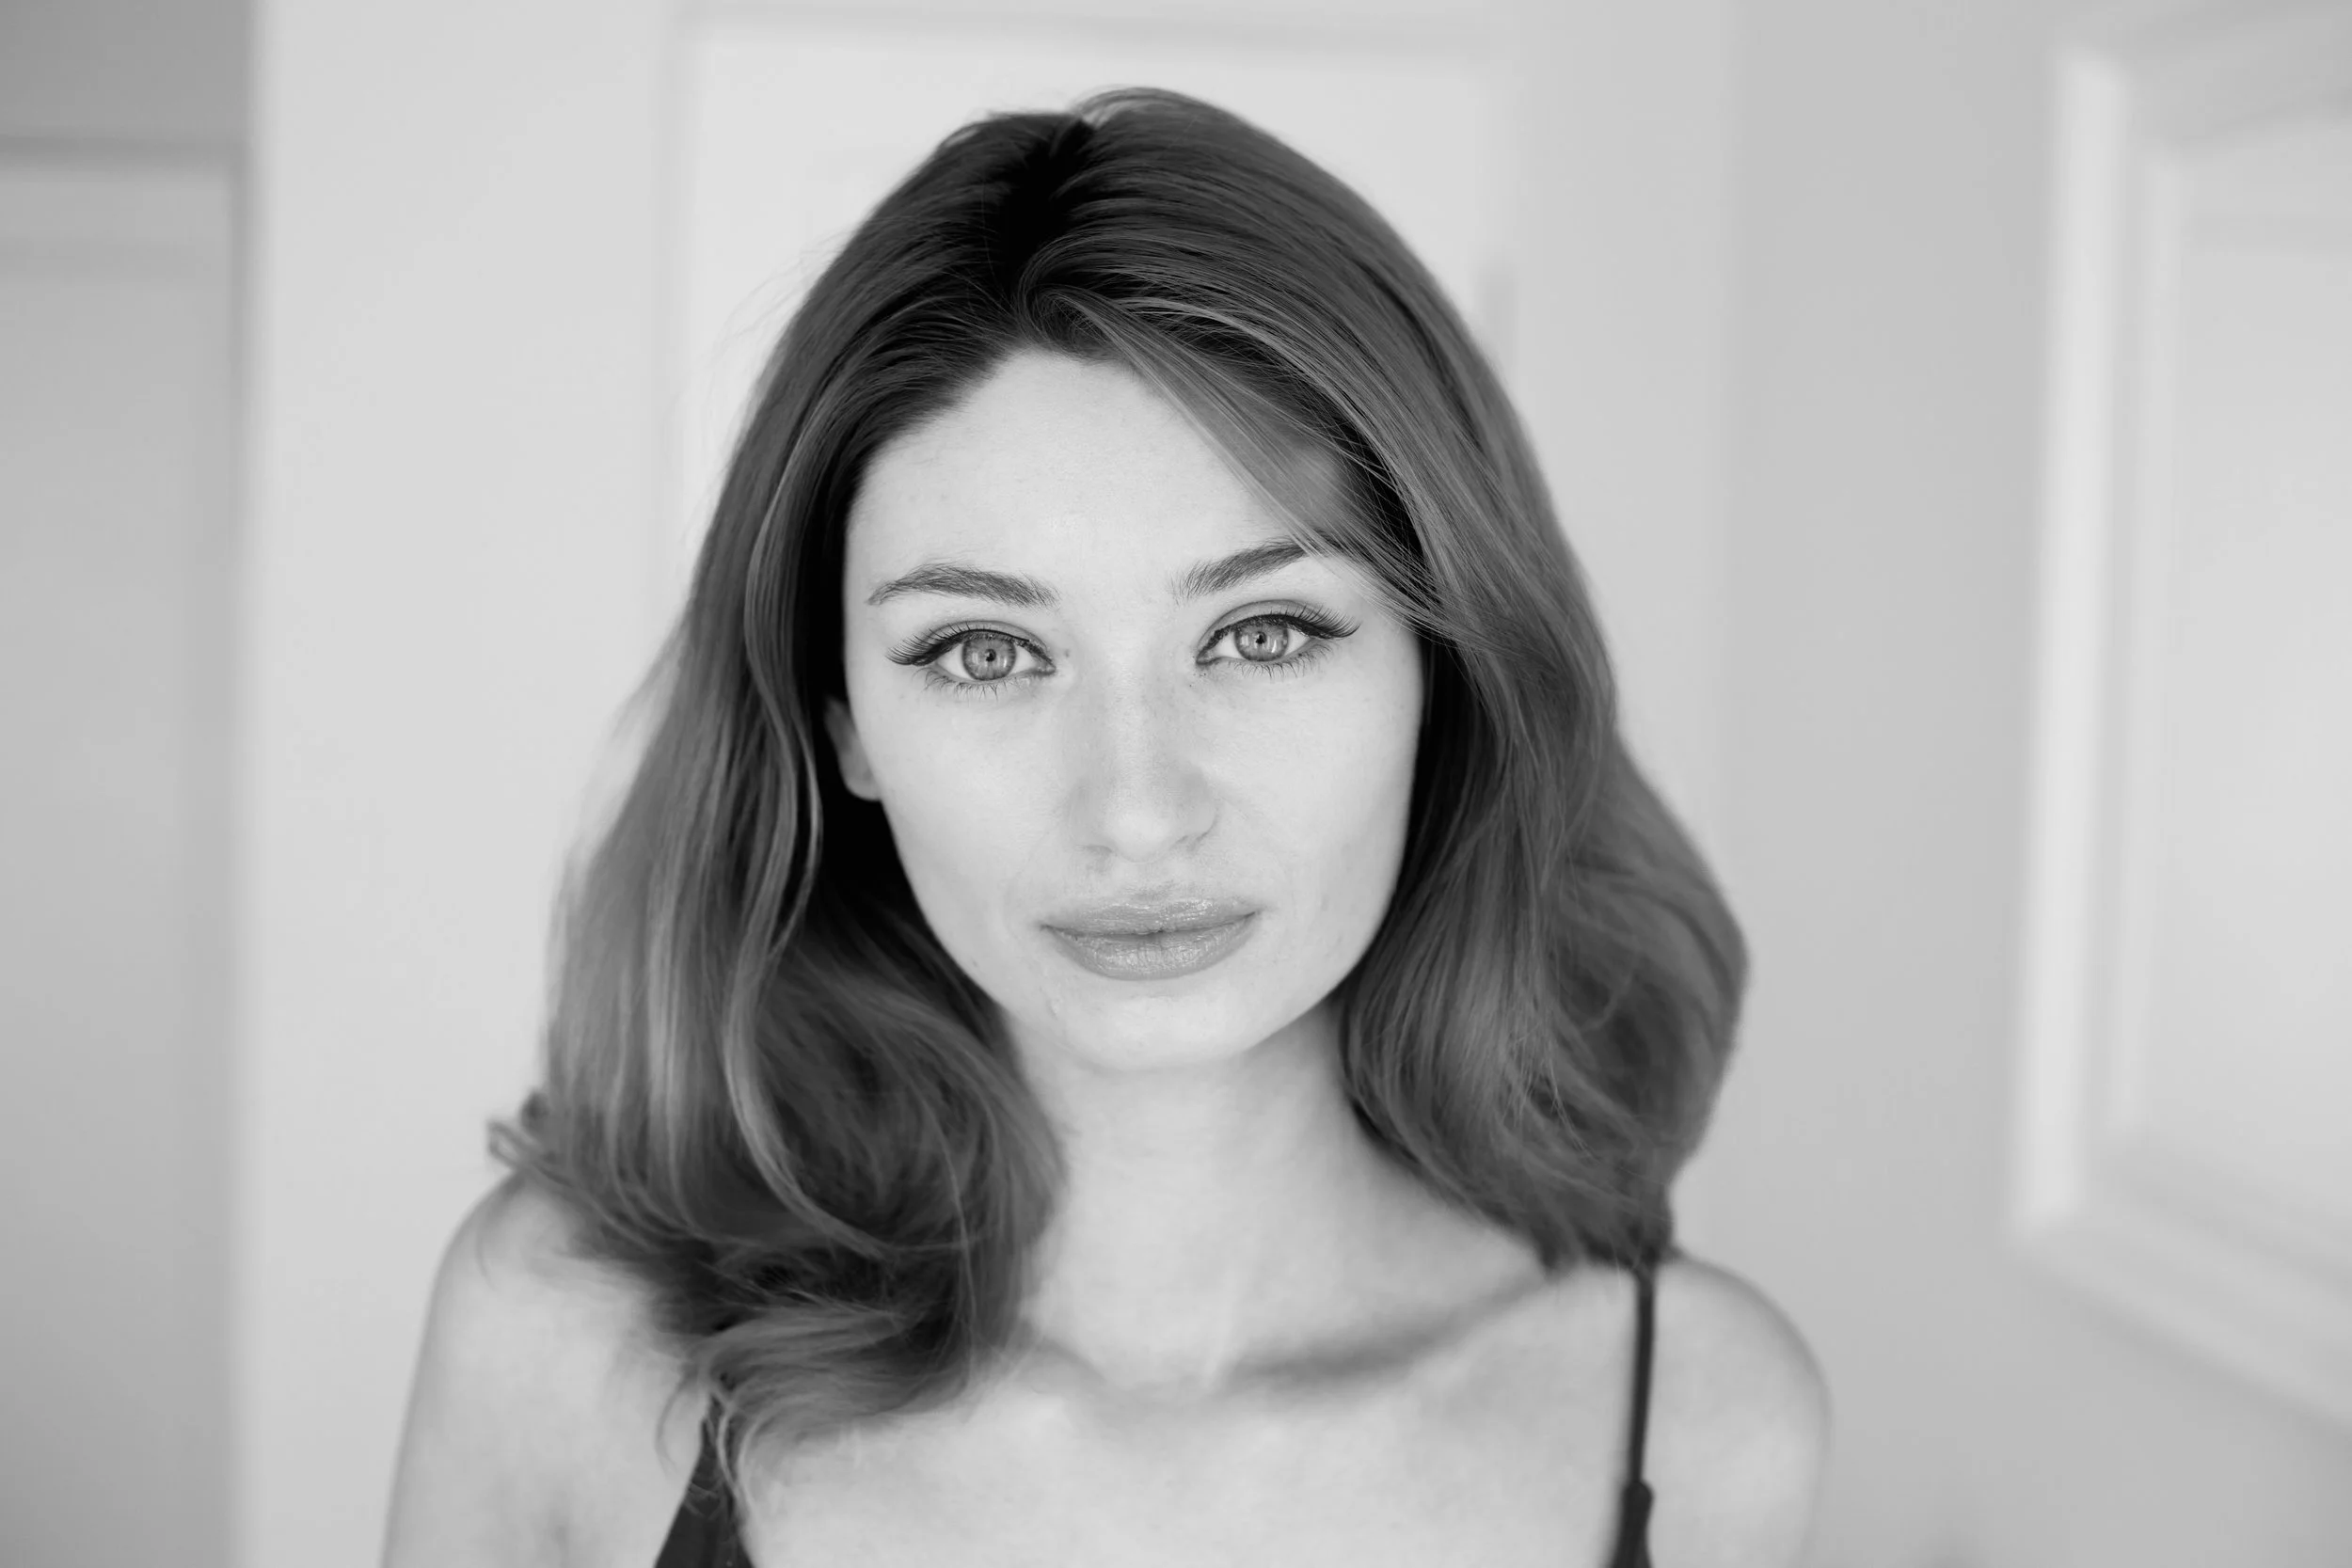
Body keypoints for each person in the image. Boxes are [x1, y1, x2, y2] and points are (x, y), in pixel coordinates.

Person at [382, 87, 1829, 1567]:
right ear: (842, 730)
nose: (1138, 811)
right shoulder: (564, 1344)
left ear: (1441, 674)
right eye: (985, 652)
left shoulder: (1701, 1421)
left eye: (1263, 632)